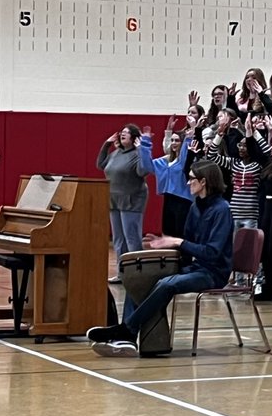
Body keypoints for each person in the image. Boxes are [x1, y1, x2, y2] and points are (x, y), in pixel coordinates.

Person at [87, 161, 234, 357]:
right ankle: (127, 340)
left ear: (204, 182)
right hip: (195, 268)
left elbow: (212, 252)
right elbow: (187, 247)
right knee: (137, 278)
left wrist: (177, 242)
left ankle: (127, 330)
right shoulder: (195, 207)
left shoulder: (222, 210)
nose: (187, 182)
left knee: (167, 284)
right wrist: (166, 253)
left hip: (213, 273)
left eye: (191, 179)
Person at [98, 124, 150, 284]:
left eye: (127, 132)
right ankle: (122, 273)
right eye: (122, 132)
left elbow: (143, 171)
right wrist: (106, 144)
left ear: (134, 137)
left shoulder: (137, 153)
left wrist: (142, 149)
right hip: (114, 200)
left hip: (132, 200)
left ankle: (138, 274)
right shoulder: (116, 153)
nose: (123, 134)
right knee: (118, 239)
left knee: (132, 238)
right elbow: (100, 165)